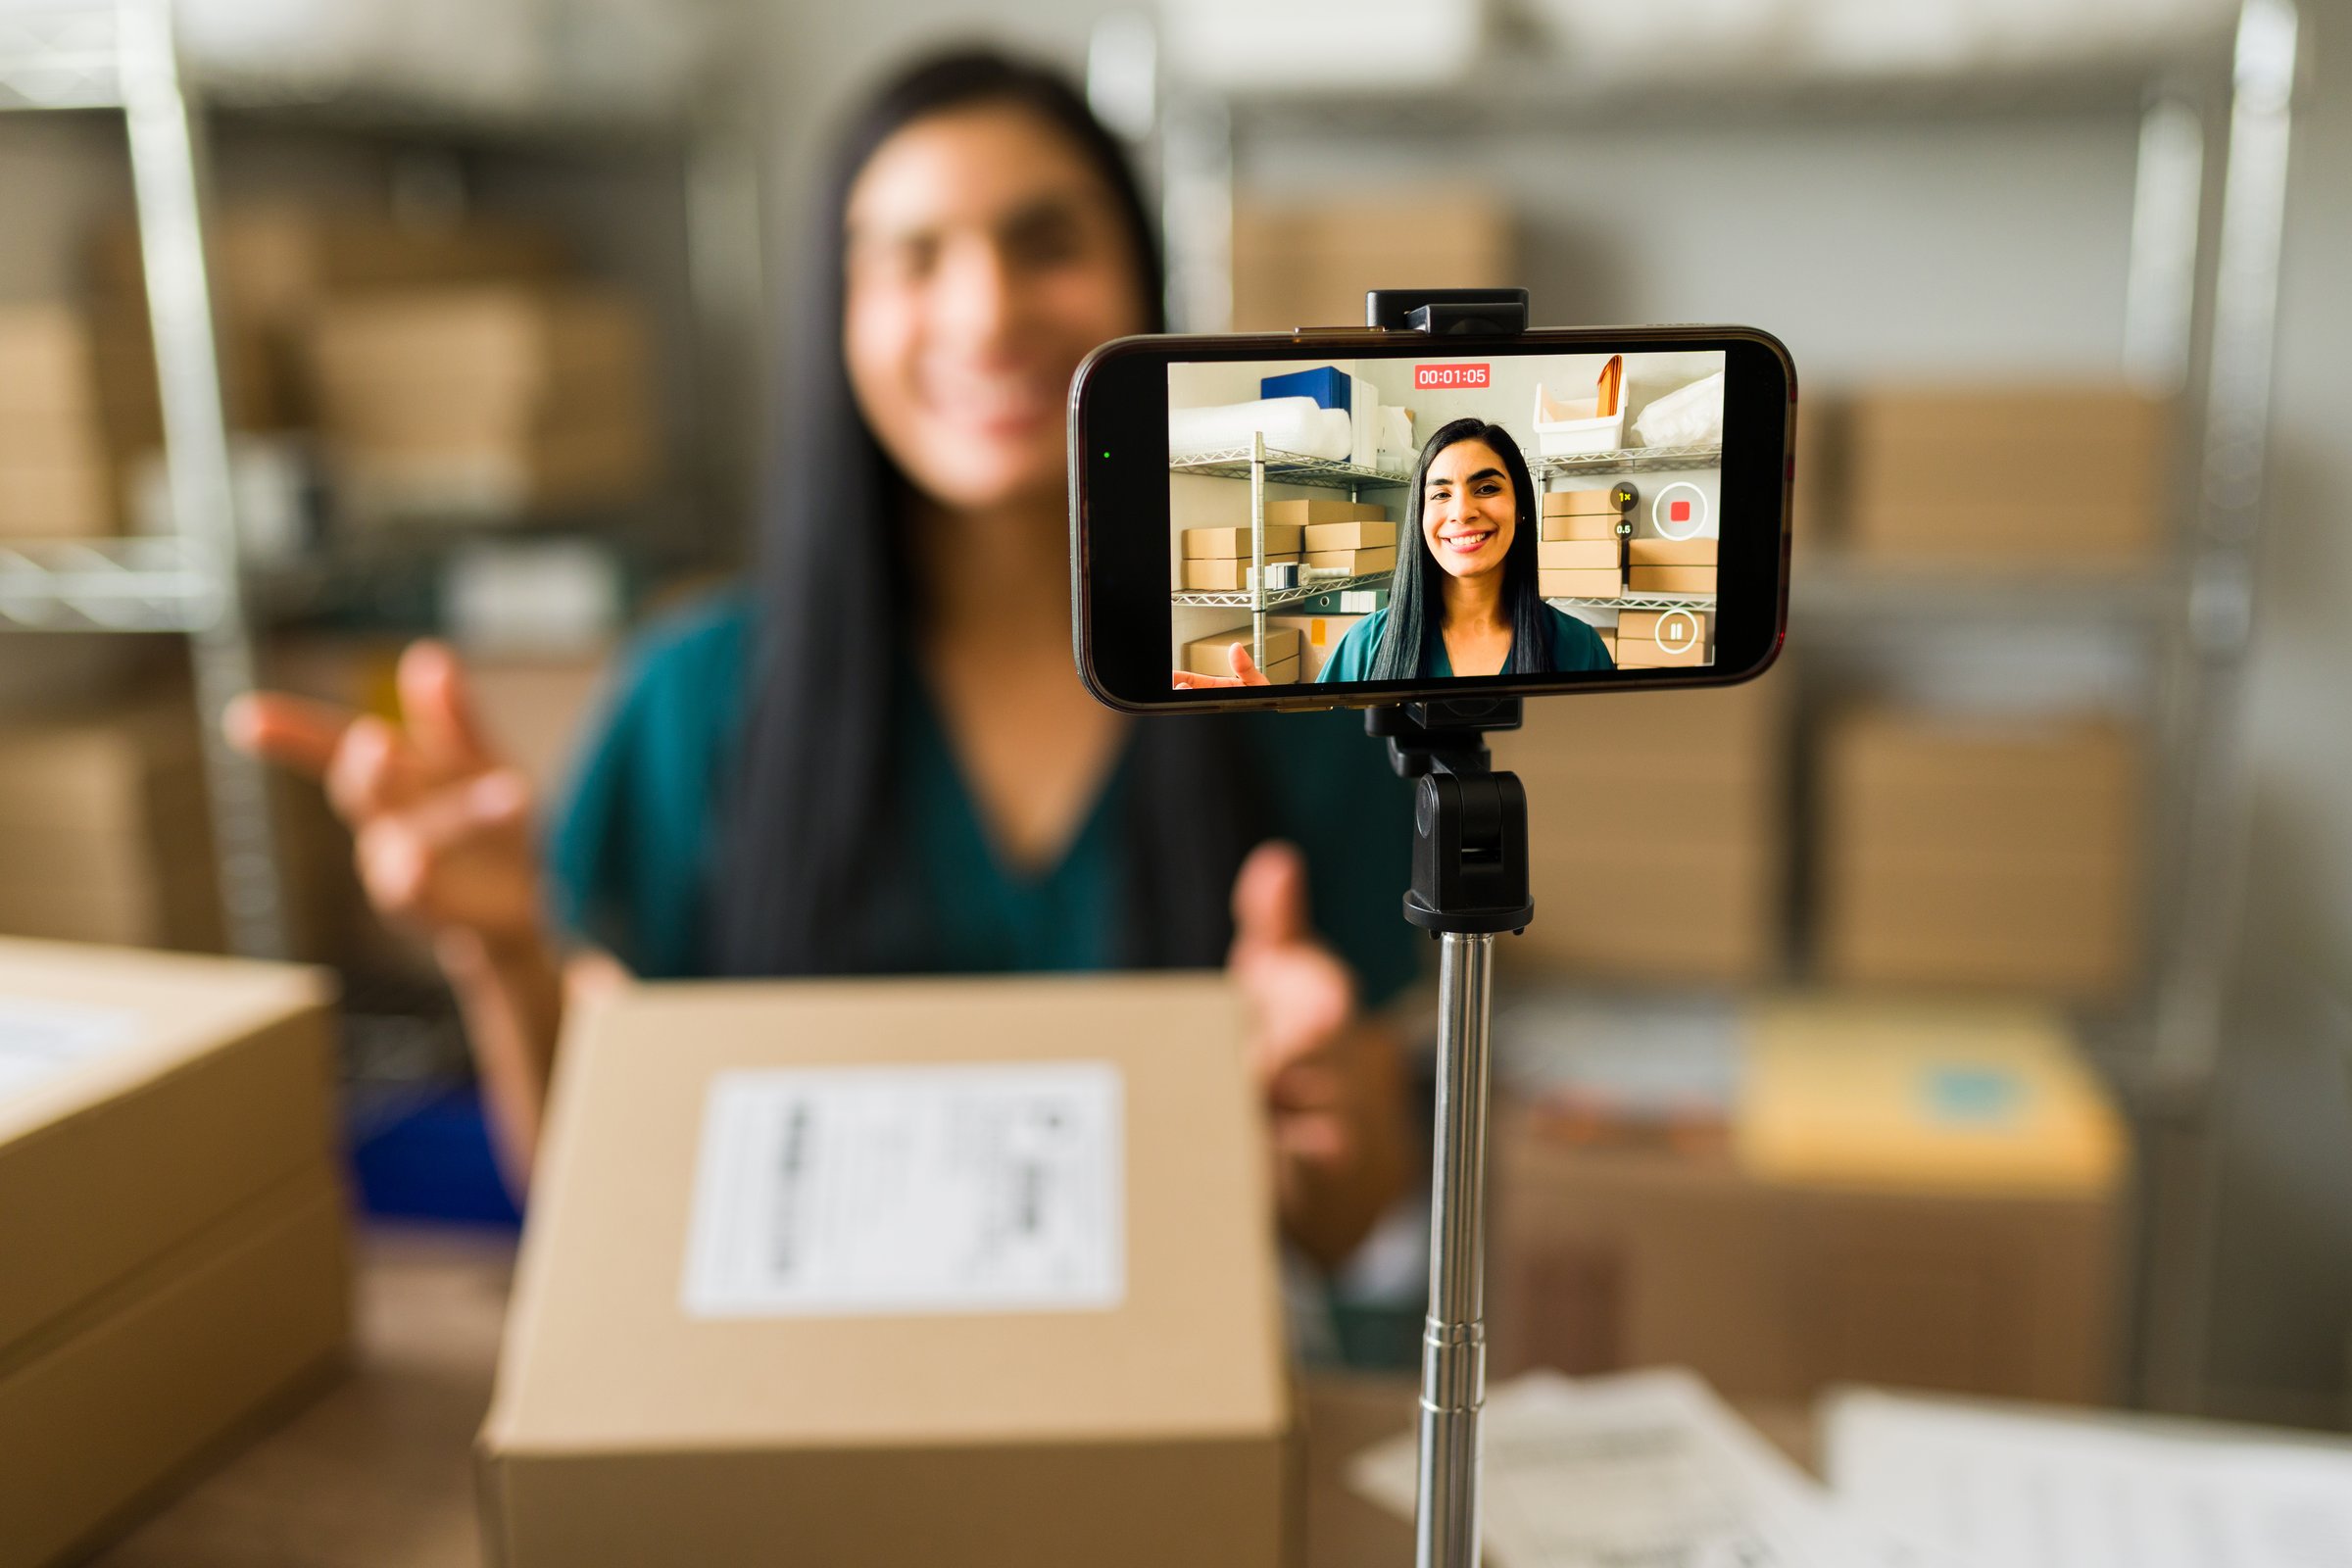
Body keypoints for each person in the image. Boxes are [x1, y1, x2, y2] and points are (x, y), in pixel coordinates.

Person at [227, 50, 1419, 1269]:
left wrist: (1318, 1105)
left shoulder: (1301, 683)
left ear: (1140, 287)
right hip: (799, 1393)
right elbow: (589, 1192)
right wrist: (502, 947)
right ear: (839, 318)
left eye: (1045, 241)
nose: (985, 311)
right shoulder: (693, 696)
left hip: (1174, 1377)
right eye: (913, 258)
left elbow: (1337, 1224)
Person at [1183, 417, 1613, 687]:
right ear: (1419, 518)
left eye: (1486, 488)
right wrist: (1271, 720)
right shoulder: (1367, 645)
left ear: (1521, 509)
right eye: (1440, 494)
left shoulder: (1578, 647)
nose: (1462, 512)